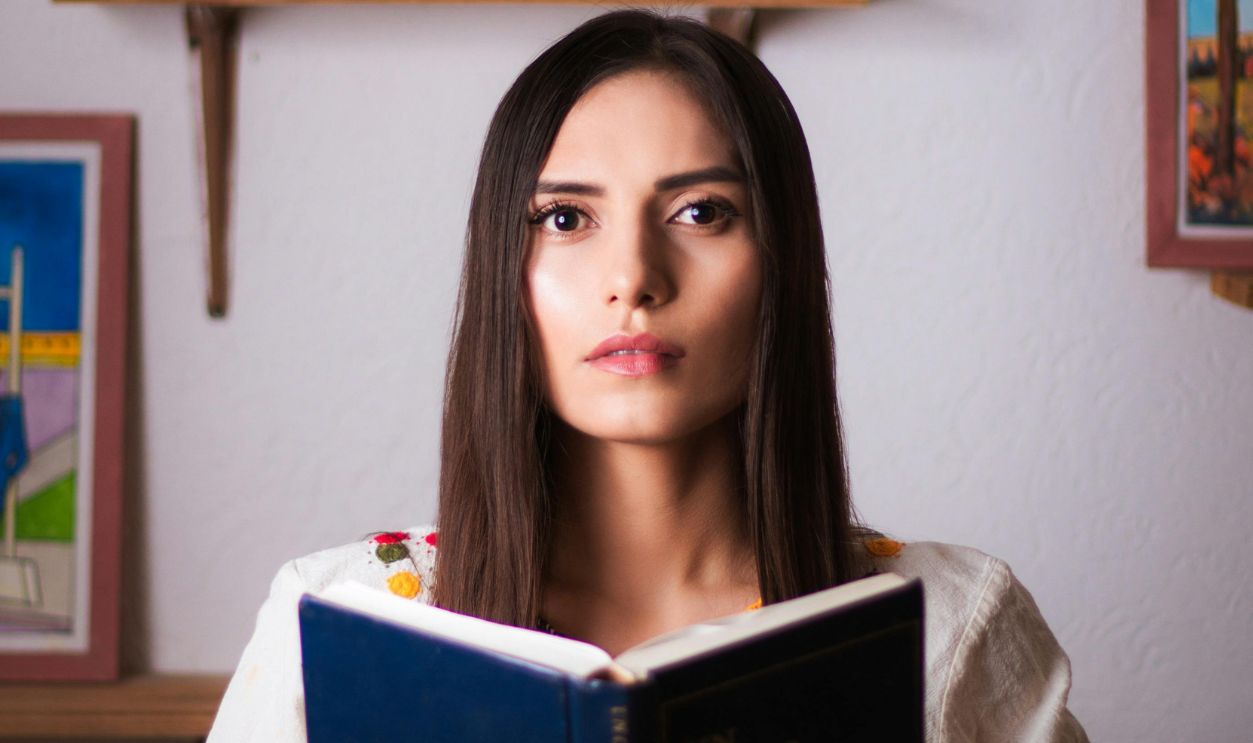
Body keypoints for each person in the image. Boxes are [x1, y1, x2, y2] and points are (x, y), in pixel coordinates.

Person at [207, 9, 1089, 742]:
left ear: (782, 260)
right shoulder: (339, 623)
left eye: (701, 212)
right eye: (563, 217)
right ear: (498, 268)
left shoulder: (948, 625)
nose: (632, 275)